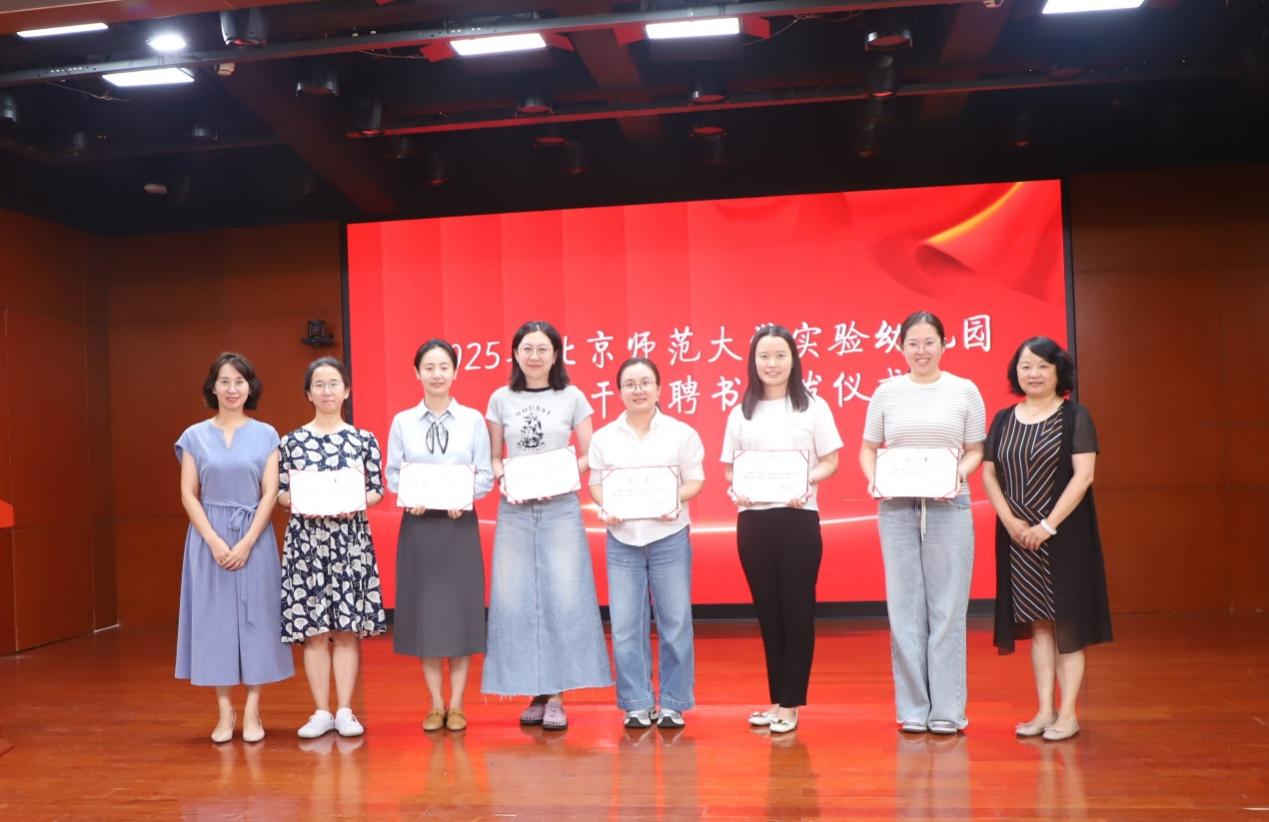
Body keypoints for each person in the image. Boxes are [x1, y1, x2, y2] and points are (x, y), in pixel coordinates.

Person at [859, 310, 987, 735]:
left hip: (950, 506)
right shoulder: (886, 393)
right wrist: (875, 479)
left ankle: (947, 711)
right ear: (900, 347)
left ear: (944, 345)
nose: (921, 350)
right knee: (904, 610)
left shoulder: (964, 390)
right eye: (912, 343)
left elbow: (975, 449)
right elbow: (868, 448)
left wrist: (955, 476)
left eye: (929, 342)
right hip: (897, 508)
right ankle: (913, 710)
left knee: (948, 610)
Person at [481, 320, 612, 730]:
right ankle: (533, 691)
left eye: (542, 349)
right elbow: (494, 457)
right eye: (527, 348)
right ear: (515, 354)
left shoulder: (572, 396)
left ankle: (557, 694)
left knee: (564, 596)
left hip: (560, 508)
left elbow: (591, 452)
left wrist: (563, 474)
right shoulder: (500, 398)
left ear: (555, 355)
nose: (534, 356)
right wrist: (505, 476)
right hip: (516, 510)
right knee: (516, 598)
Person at [981, 336, 1111, 741]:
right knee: (1039, 627)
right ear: (1015, 372)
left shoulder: (1075, 416)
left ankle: (1068, 714)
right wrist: (1011, 522)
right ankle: (1044, 711)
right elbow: (989, 474)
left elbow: (1084, 476)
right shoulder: (1004, 418)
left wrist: (1047, 526)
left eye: (1042, 366)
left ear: (1058, 372)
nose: (1033, 373)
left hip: (1063, 536)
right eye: (1025, 366)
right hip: (1019, 539)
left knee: (1066, 626)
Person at [722, 325, 843, 734]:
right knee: (768, 613)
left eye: (779, 355)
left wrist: (805, 480)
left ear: (793, 360)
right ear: (753, 362)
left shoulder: (813, 408)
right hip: (753, 521)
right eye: (764, 356)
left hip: (797, 518)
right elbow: (730, 467)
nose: (771, 364)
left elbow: (830, 461)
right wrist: (737, 488)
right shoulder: (741, 412)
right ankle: (777, 699)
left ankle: (791, 703)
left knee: (796, 611)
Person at [175, 352, 294, 743]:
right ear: (213, 387)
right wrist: (213, 540)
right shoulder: (194, 436)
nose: (232, 389)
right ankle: (225, 711)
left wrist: (246, 543)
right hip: (207, 538)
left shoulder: (267, 434)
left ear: (250, 387)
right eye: (224, 381)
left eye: (239, 381)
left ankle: (254, 710)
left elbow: (270, 492)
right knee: (214, 623)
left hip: (254, 537)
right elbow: (188, 494)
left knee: (257, 620)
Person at [589, 357, 706, 729]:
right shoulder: (604, 437)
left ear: (659, 388)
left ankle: (673, 702)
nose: (637, 390)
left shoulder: (681, 433)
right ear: (619, 391)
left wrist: (673, 499)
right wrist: (607, 505)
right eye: (629, 384)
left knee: (675, 622)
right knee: (625, 625)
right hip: (622, 539)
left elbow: (695, 481)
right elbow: (597, 484)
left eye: (644, 383)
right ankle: (636, 702)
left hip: (668, 536)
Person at [386, 339, 494, 733]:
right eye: (429, 367)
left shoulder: (472, 420)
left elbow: (485, 473)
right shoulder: (402, 422)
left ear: (455, 372)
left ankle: (459, 705)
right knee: (427, 616)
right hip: (419, 528)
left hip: (458, 526)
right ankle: (435, 705)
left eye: (444, 367)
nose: (436, 374)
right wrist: (407, 496)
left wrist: (463, 498)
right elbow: (393, 473)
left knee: (460, 615)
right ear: (417, 373)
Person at [277, 357, 387, 739]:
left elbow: (376, 490)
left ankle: (345, 711)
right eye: (319, 385)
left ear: (347, 390)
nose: (327, 391)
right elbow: (280, 493)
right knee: (312, 631)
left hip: (349, 542)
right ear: (308, 394)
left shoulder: (363, 440)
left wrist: (354, 501)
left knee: (345, 630)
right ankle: (321, 711)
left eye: (334, 383)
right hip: (307, 544)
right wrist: (301, 500)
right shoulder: (290, 442)